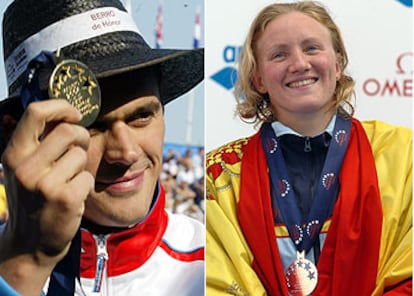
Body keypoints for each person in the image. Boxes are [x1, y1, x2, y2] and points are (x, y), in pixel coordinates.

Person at [205, 1, 412, 295]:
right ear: (258, 79)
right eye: (279, 54)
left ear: (338, 64)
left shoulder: (404, 154)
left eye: (312, 48)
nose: (300, 64)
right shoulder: (221, 175)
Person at [0, 0, 204, 295]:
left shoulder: (215, 266)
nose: (127, 153)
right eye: (91, 124)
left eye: (142, 116)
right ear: (14, 133)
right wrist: (25, 267)